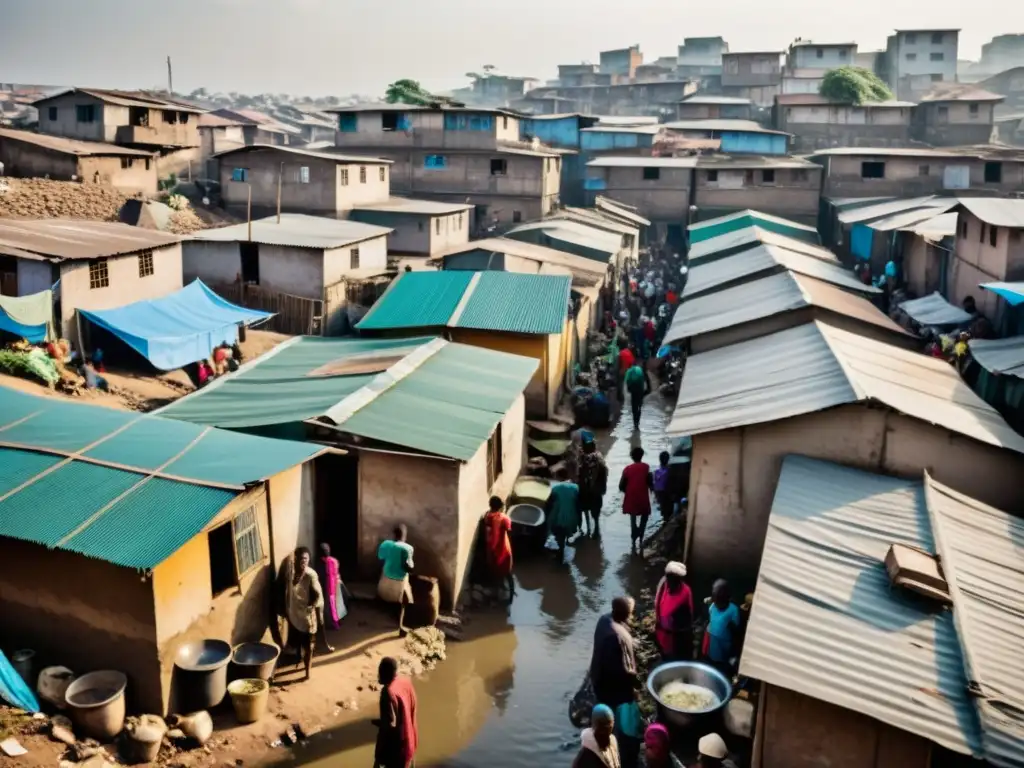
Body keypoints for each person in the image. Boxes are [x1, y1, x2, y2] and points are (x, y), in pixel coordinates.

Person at [590, 596, 638, 710]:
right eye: (629, 613)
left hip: (596, 674)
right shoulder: (618, 637)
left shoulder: (603, 619)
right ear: (624, 615)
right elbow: (625, 669)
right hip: (608, 686)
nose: (630, 616)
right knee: (612, 708)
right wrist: (634, 687)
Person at [284, 546, 324, 680]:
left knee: (308, 647)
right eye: (301, 559)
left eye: (306, 559)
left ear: (309, 560)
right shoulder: (291, 573)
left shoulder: (310, 575)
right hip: (295, 615)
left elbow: (318, 595)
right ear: (295, 559)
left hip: (307, 618)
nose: (303, 561)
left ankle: (307, 673)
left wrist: (311, 607)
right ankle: (298, 658)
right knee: (298, 642)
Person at [373, 657, 418, 768]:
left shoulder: (387, 692)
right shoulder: (406, 683)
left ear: (384, 673)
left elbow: (390, 724)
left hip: (396, 752)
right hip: (410, 743)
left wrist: (379, 757)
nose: (378, 675)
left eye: (380, 671)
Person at [377, 525, 415, 637]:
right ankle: (400, 627)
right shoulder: (407, 548)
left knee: (389, 595)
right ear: (404, 535)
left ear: (394, 535)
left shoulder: (387, 545)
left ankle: (388, 617)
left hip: (386, 575)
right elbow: (409, 567)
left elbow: (381, 558)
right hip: (399, 578)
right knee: (403, 601)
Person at [654, 562, 694, 661]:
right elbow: (657, 601)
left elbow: (689, 616)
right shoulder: (663, 584)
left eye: (674, 580)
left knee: (676, 656)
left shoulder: (685, 592)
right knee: (664, 653)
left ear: (679, 580)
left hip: (676, 635)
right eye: (669, 578)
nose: (670, 582)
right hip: (662, 630)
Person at [619, 447, 653, 554]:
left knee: (632, 516)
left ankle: (633, 538)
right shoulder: (646, 467)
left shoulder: (627, 469)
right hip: (643, 495)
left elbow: (621, 486)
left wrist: (627, 491)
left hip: (631, 495)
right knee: (645, 515)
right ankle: (641, 537)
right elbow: (650, 483)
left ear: (632, 457)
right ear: (642, 455)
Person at [703, 580, 741, 674]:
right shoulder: (713, 606)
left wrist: (734, 653)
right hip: (713, 643)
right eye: (715, 599)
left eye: (719, 599)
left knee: (722, 667)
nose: (717, 603)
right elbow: (711, 619)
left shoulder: (733, 610)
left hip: (724, 645)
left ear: (726, 598)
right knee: (713, 663)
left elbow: (736, 632)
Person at [483, 495, 515, 601]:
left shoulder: (488, 517)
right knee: (508, 573)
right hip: (505, 548)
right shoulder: (504, 518)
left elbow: (487, 536)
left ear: (489, 505)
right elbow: (509, 532)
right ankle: (510, 597)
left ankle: (496, 596)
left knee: (495, 573)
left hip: (493, 549)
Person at [545, 467, 580, 561]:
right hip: (571, 518)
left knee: (559, 537)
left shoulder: (555, 488)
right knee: (565, 535)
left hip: (557, 518)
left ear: (558, 477)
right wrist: (578, 520)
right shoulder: (575, 487)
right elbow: (578, 504)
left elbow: (549, 503)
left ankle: (560, 554)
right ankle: (563, 549)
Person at [315, 543, 348, 641]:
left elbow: (320, 576)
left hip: (327, 588)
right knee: (336, 605)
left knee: (329, 607)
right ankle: (336, 622)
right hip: (334, 587)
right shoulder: (334, 561)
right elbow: (337, 574)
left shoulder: (320, 563)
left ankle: (333, 624)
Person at [578, 438, 608, 538]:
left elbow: (578, 475)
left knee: (585, 508)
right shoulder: (599, 459)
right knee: (595, 512)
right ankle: (596, 529)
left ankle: (588, 529)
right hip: (596, 489)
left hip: (585, 489)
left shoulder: (582, 459)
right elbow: (604, 473)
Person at [623, 361, 651, 430]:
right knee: (639, 406)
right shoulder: (640, 369)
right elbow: (644, 379)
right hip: (640, 389)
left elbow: (627, 381)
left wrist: (628, 389)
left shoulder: (629, 371)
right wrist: (647, 389)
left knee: (634, 406)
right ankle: (637, 422)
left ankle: (634, 423)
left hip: (633, 390)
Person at [653, 451, 673, 520]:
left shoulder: (656, 472)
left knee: (664, 509)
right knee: (668, 510)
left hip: (659, 494)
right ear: (668, 460)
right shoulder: (670, 470)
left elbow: (655, 485)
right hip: (666, 493)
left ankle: (665, 518)